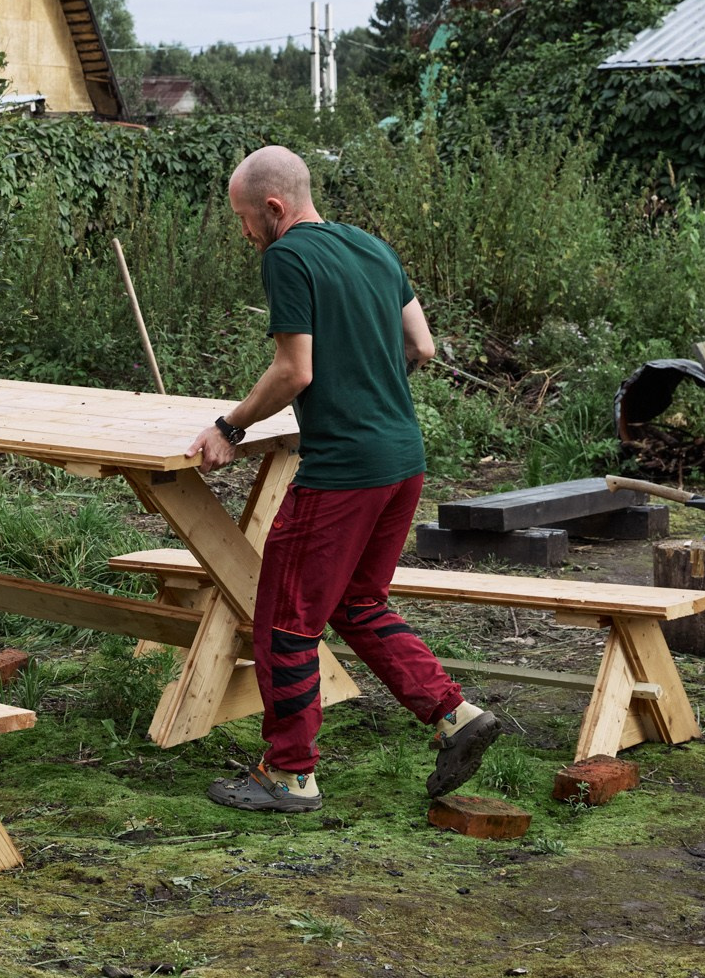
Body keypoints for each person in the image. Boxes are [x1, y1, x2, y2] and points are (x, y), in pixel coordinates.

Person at [188, 145, 501, 812]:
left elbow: (293, 370)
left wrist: (230, 426)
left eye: (245, 218)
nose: (244, 233)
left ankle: (290, 773)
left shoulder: (288, 257)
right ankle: (456, 715)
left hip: (343, 473)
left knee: (285, 622)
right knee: (357, 603)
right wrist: (366, 391)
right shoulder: (372, 247)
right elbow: (421, 346)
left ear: (275, 208)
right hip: (402, 459)